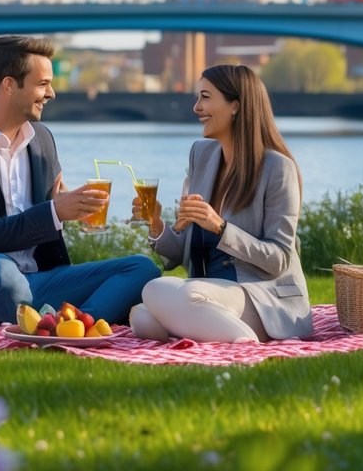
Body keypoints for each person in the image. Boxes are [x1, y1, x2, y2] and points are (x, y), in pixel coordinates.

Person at [0, 35, 160, 329]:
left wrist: (70, 206)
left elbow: (50, 209)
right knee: (0, 273)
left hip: (37, 280)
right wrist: (54, 212)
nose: (52, 94)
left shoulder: (43, 140)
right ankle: (54, 320)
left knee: (141, 269)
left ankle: (72, 325)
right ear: (9, 85)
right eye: (42, 84)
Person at [129, 63, 313, 343]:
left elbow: (278, 259)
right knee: (141, 317)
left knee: (155, 291)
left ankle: (244, 345)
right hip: (208, 292)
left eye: (205, 97)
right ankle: (222, 335)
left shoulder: (278, 168)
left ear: (235, 106)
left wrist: (220, 227)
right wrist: (155, 222)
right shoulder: (200, 156)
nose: (196, 108)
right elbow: (180, 253)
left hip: (259, 295)